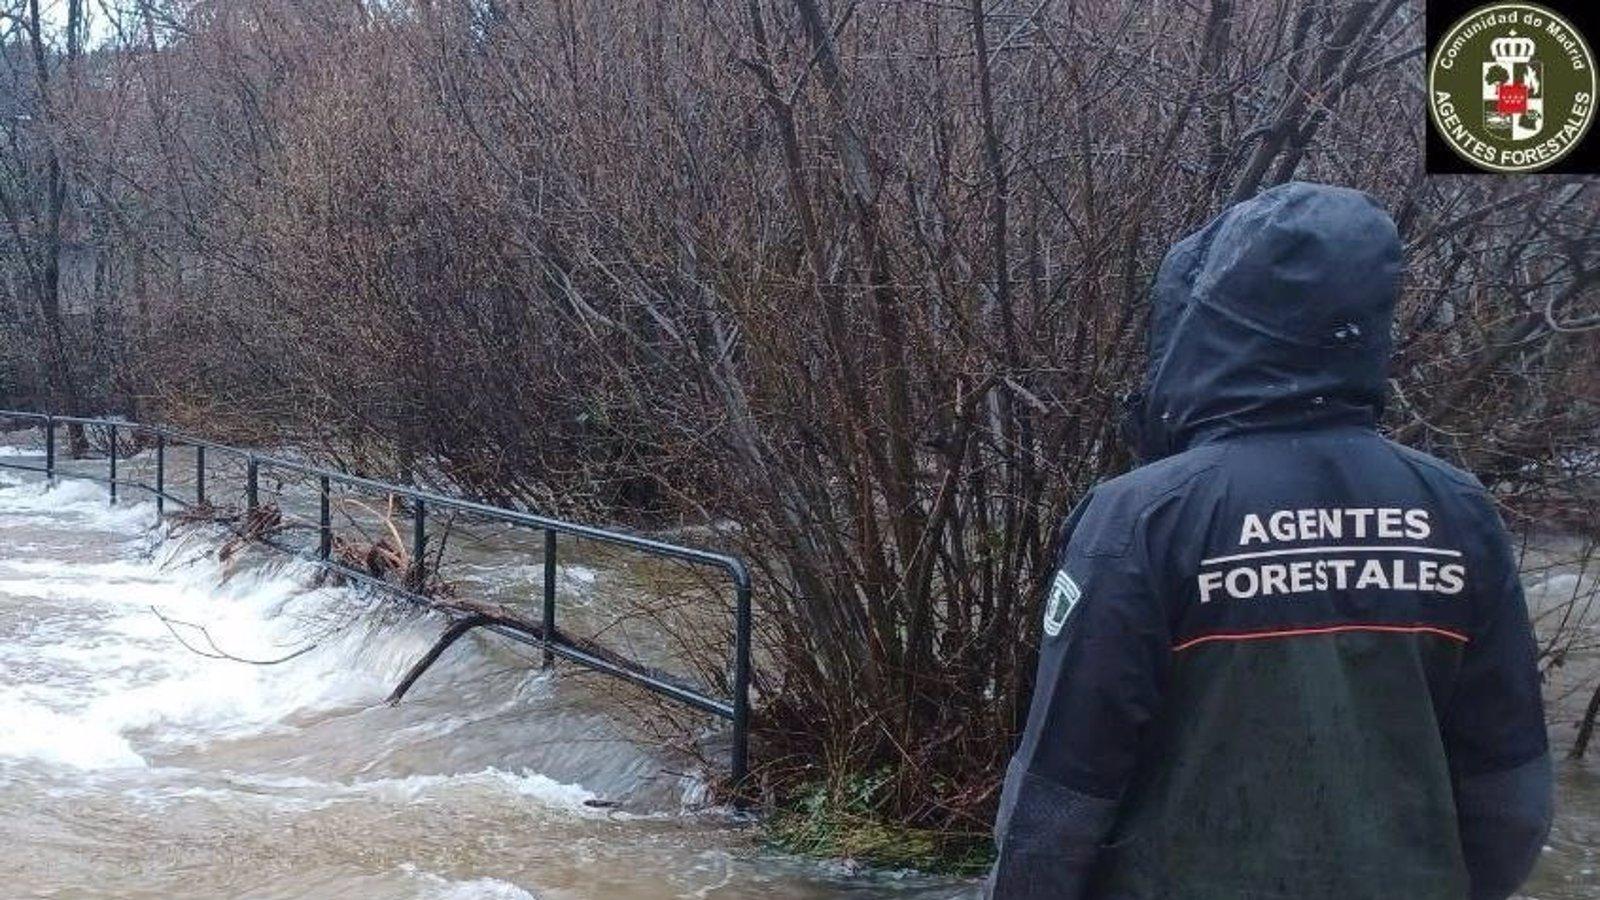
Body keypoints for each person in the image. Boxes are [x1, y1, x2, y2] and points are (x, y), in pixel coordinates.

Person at [987, 182, 1552, 900]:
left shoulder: (1145, 517)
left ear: (1204, 321)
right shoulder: (1458, 510)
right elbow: (1512, 796)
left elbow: (1059, 799)